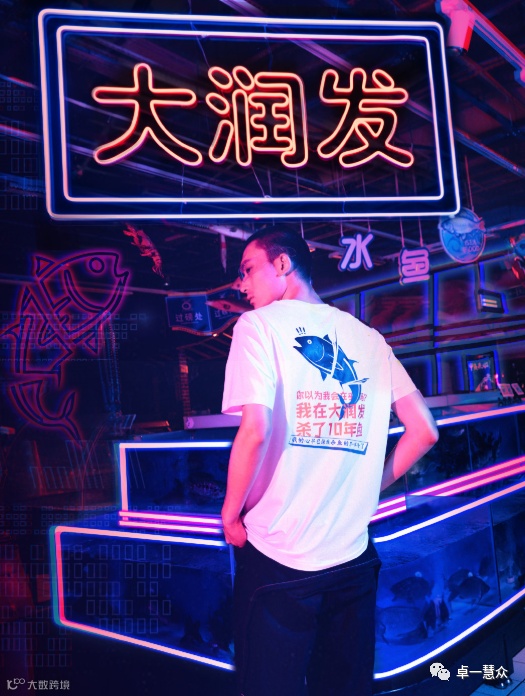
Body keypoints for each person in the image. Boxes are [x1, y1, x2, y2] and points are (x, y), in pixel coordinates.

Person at [221, 229, 439, 696]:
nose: (242, 284)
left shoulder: (257, 326)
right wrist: (368, 487)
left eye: (248, 269)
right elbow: (425, 430)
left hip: (279, 557)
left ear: (282, 264)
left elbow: (255, 429)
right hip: (354, 557)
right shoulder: (369, 338)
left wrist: (230, 514)